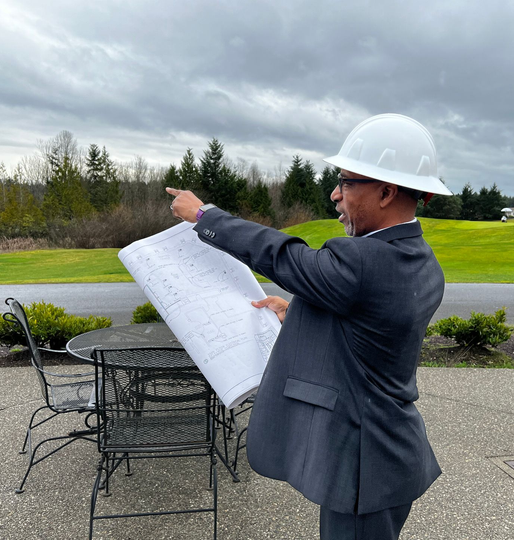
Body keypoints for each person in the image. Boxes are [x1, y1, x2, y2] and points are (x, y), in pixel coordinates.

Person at [167, 114, 452, 540]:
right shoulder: (420, 259)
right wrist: (299, 312)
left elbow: (283, 256)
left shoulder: (361, 262)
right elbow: (368, 327)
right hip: (388, 456)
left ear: (387, 191)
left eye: (346, 182)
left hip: (361, 471)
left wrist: (205, 216)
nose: (336, 195)